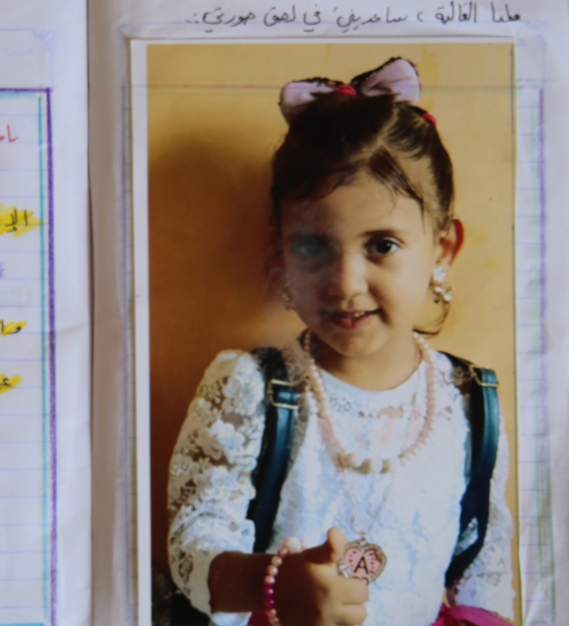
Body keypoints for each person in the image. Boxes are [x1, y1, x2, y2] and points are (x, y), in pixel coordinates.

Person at [166, 58, 514, 626]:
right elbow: (194, 549)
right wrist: (274, 583)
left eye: (382, 245)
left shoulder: (469, 404)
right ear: (280, 250)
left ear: (442, 249)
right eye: (313, 246)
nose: (346, 283)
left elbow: (484, 570)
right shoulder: (251, 390)